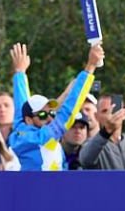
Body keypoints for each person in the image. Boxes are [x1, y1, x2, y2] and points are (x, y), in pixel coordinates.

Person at [9, 42, 103, 171]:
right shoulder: (36, 138)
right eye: (42, 115)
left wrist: (20, 72)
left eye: (52, 113)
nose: (50, 119)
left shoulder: (22, 126)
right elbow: (67, 113)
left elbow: (22, 107)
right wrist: (90, 67)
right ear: (29, 120)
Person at [79, 93, 125, 169]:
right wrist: (106, 131)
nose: (110, 115)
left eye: (115, 110)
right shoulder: (91, 145)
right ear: (96, 116)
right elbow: (85, 160)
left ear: (124, 114)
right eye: (105, 111)